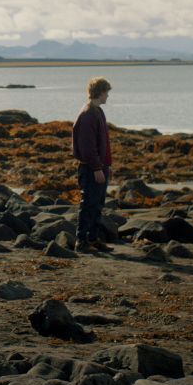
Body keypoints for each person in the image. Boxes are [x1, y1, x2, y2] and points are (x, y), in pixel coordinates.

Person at [72, 77, 113, 253]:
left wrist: (105, 166)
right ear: (100, 92)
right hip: (90, 168)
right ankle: (81, 242)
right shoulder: (88, 113)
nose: (108, 96)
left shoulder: (98, 111)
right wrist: (97, 168)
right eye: (107, 92)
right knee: (88, 204)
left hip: (99, 166)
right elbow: (87, 146)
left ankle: (93, 239)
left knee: (97, 204)